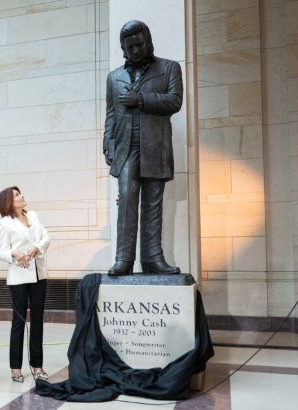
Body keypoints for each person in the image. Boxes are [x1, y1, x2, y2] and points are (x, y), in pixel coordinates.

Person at [103, 20, 183, 276]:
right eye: (130, 47)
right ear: (123, 49)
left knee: (153, 203)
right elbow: (111, 115)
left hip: (155, 145)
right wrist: (108, 144)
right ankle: (123, 260)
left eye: (139, 44)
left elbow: (175, 101)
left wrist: (141, 99)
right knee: (126, 200)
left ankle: (152, 259)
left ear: (148, 43)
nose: (135, 50)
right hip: (126, 148)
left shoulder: (169, 68)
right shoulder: (114, 77)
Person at [0, 187, 51, 383]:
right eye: (18, 195)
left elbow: (47, 237)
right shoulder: (5, 223)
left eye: (21, 194)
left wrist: (37, 248)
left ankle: (38, 366)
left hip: (39, 273)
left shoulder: (33, 216)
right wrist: (14, 254)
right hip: (19, 276)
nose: (22, 196)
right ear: (9, 202)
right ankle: (15, 368)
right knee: (18, 321)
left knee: (38, 319)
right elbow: (2, 251)